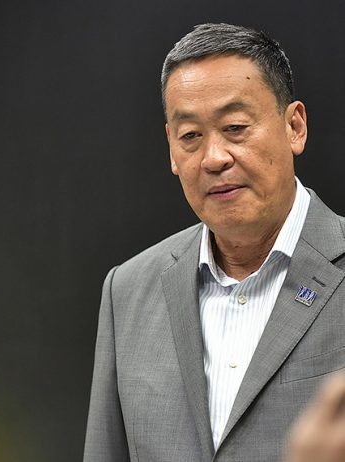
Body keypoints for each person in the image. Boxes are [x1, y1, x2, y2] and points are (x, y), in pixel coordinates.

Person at [84, 23, 345, 462]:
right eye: (190, 136)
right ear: (171, 148)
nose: (214, 158)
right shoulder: (127, 292)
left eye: (236, 127)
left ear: (294, 126)